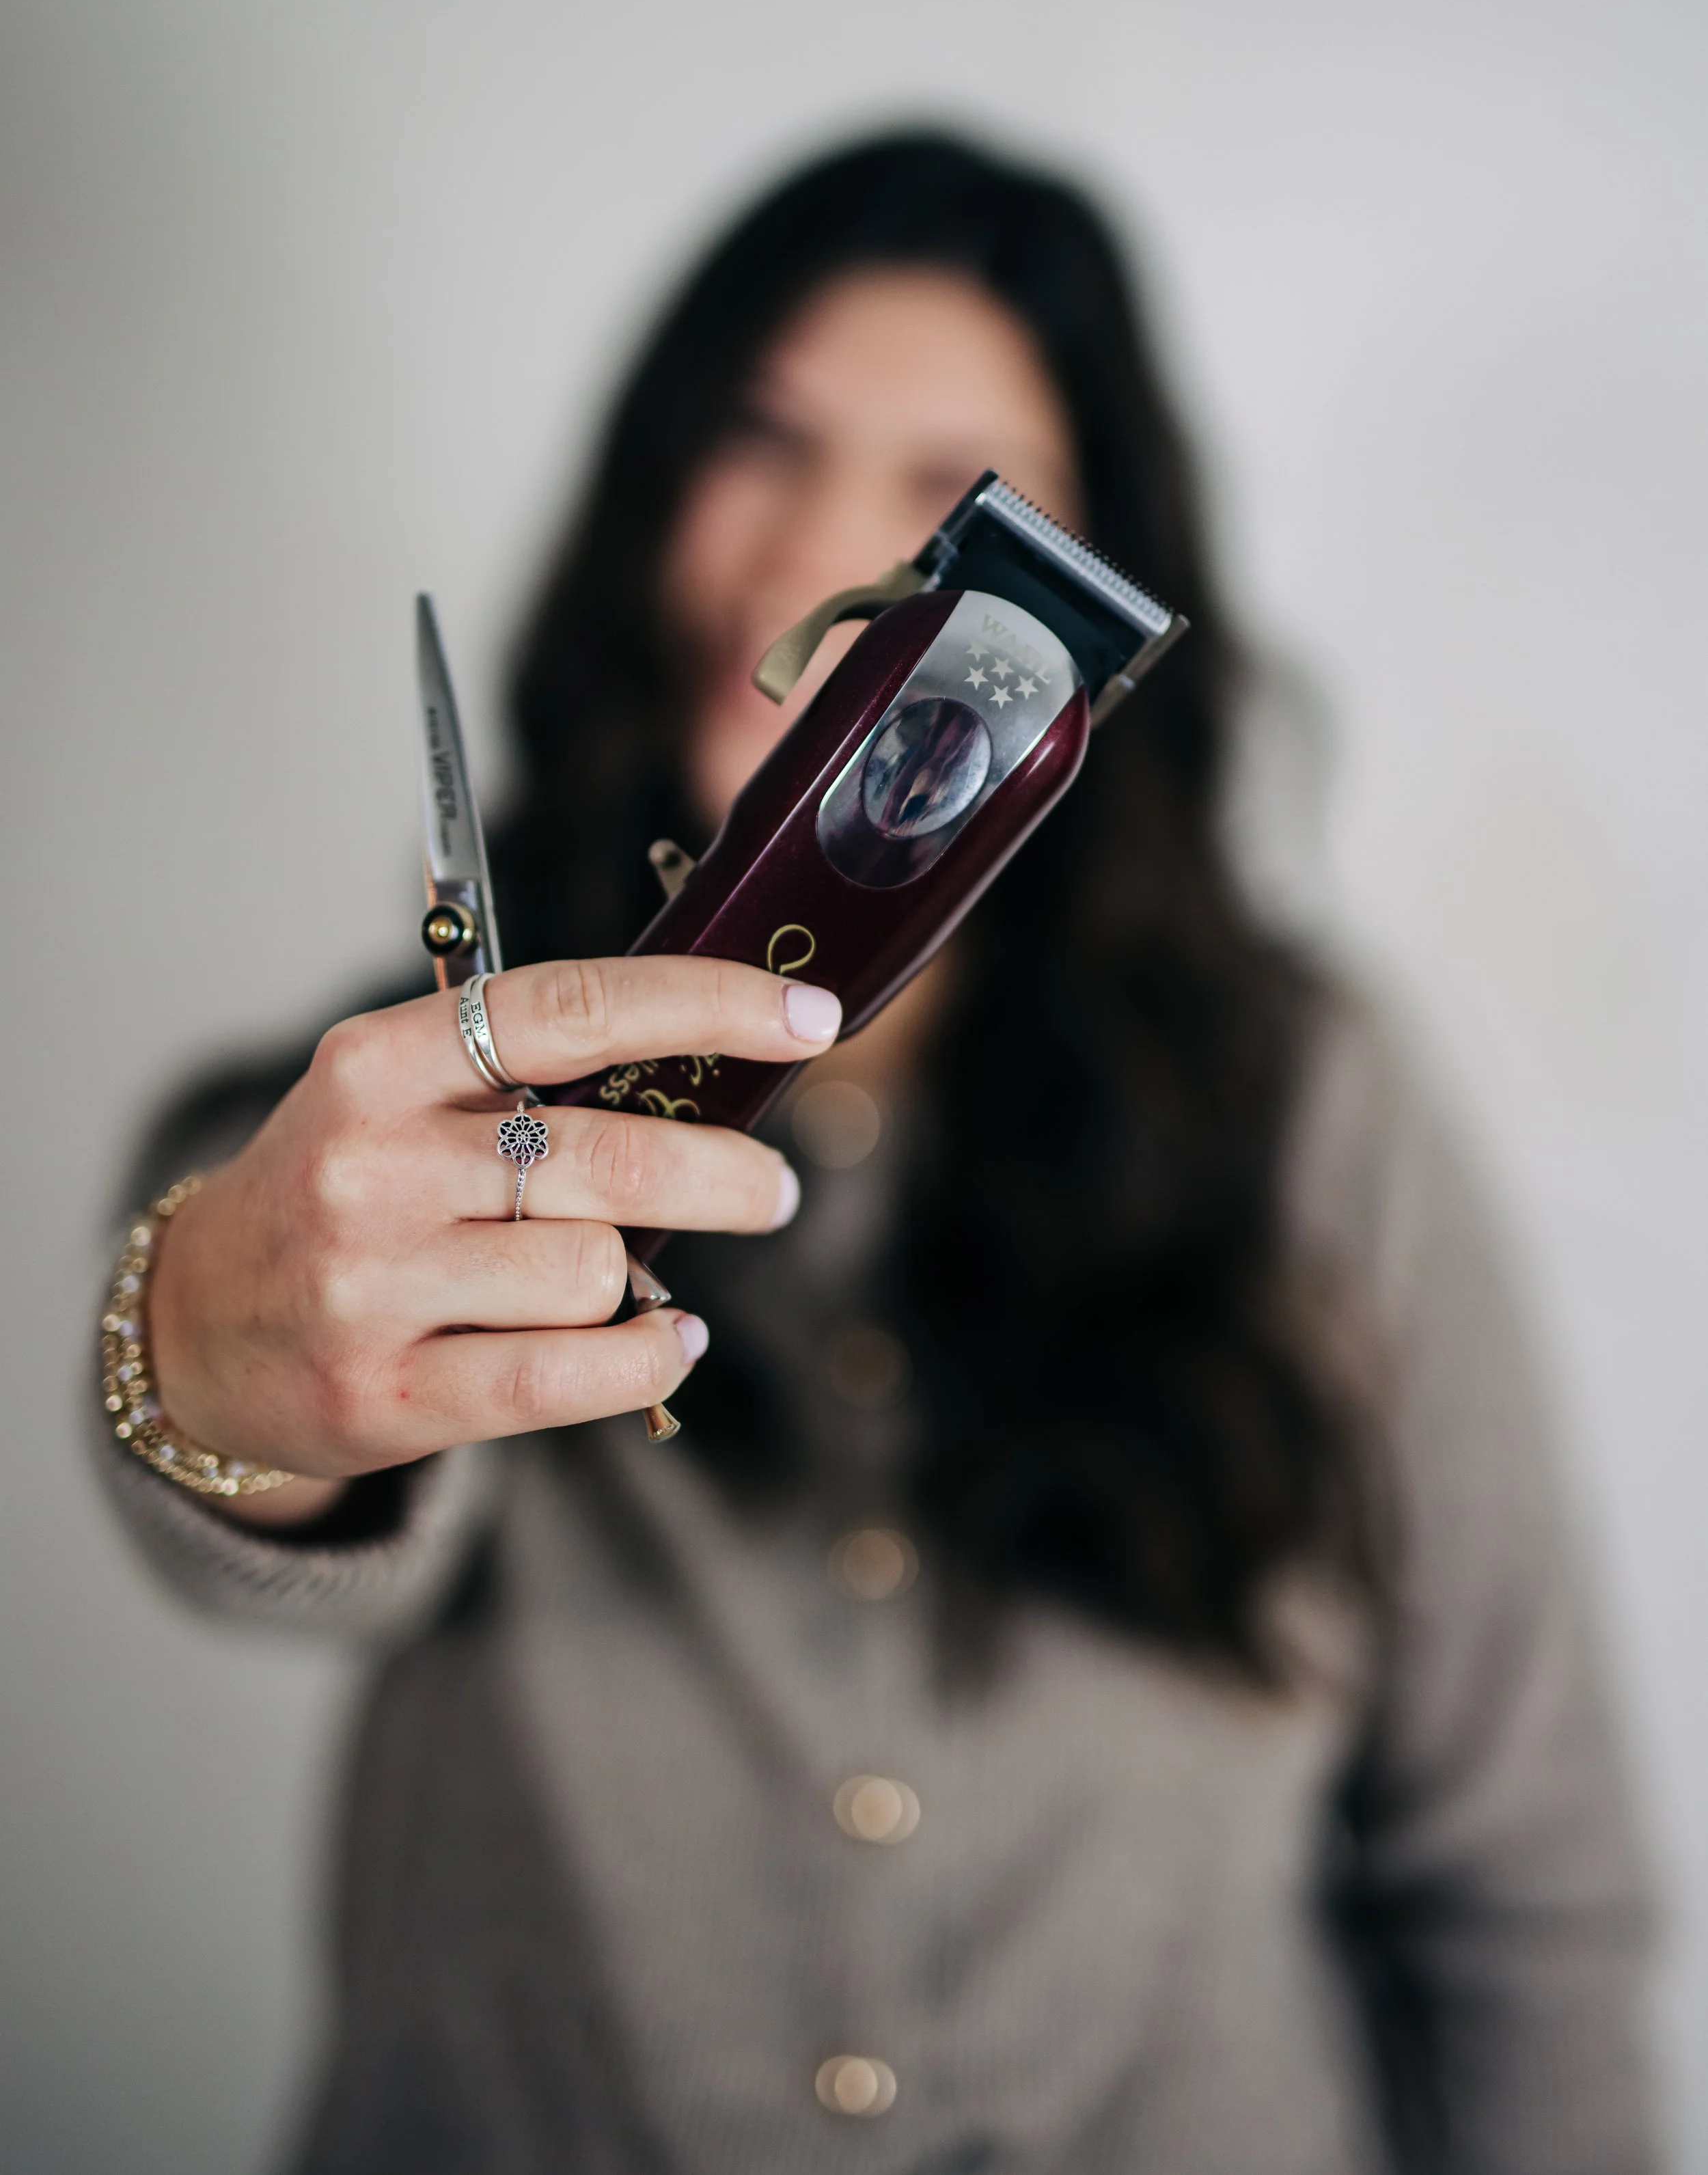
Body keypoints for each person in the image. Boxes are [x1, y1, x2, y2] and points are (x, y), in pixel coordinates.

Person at [99, 131, 1653, 2174]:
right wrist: (205, 1356)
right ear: (646, 490)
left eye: (952, 491)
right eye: (759, 439)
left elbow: (1529, 1897)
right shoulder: (397, 1108)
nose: (825, 549)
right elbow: (242, 1449)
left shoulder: (1315, 1104)